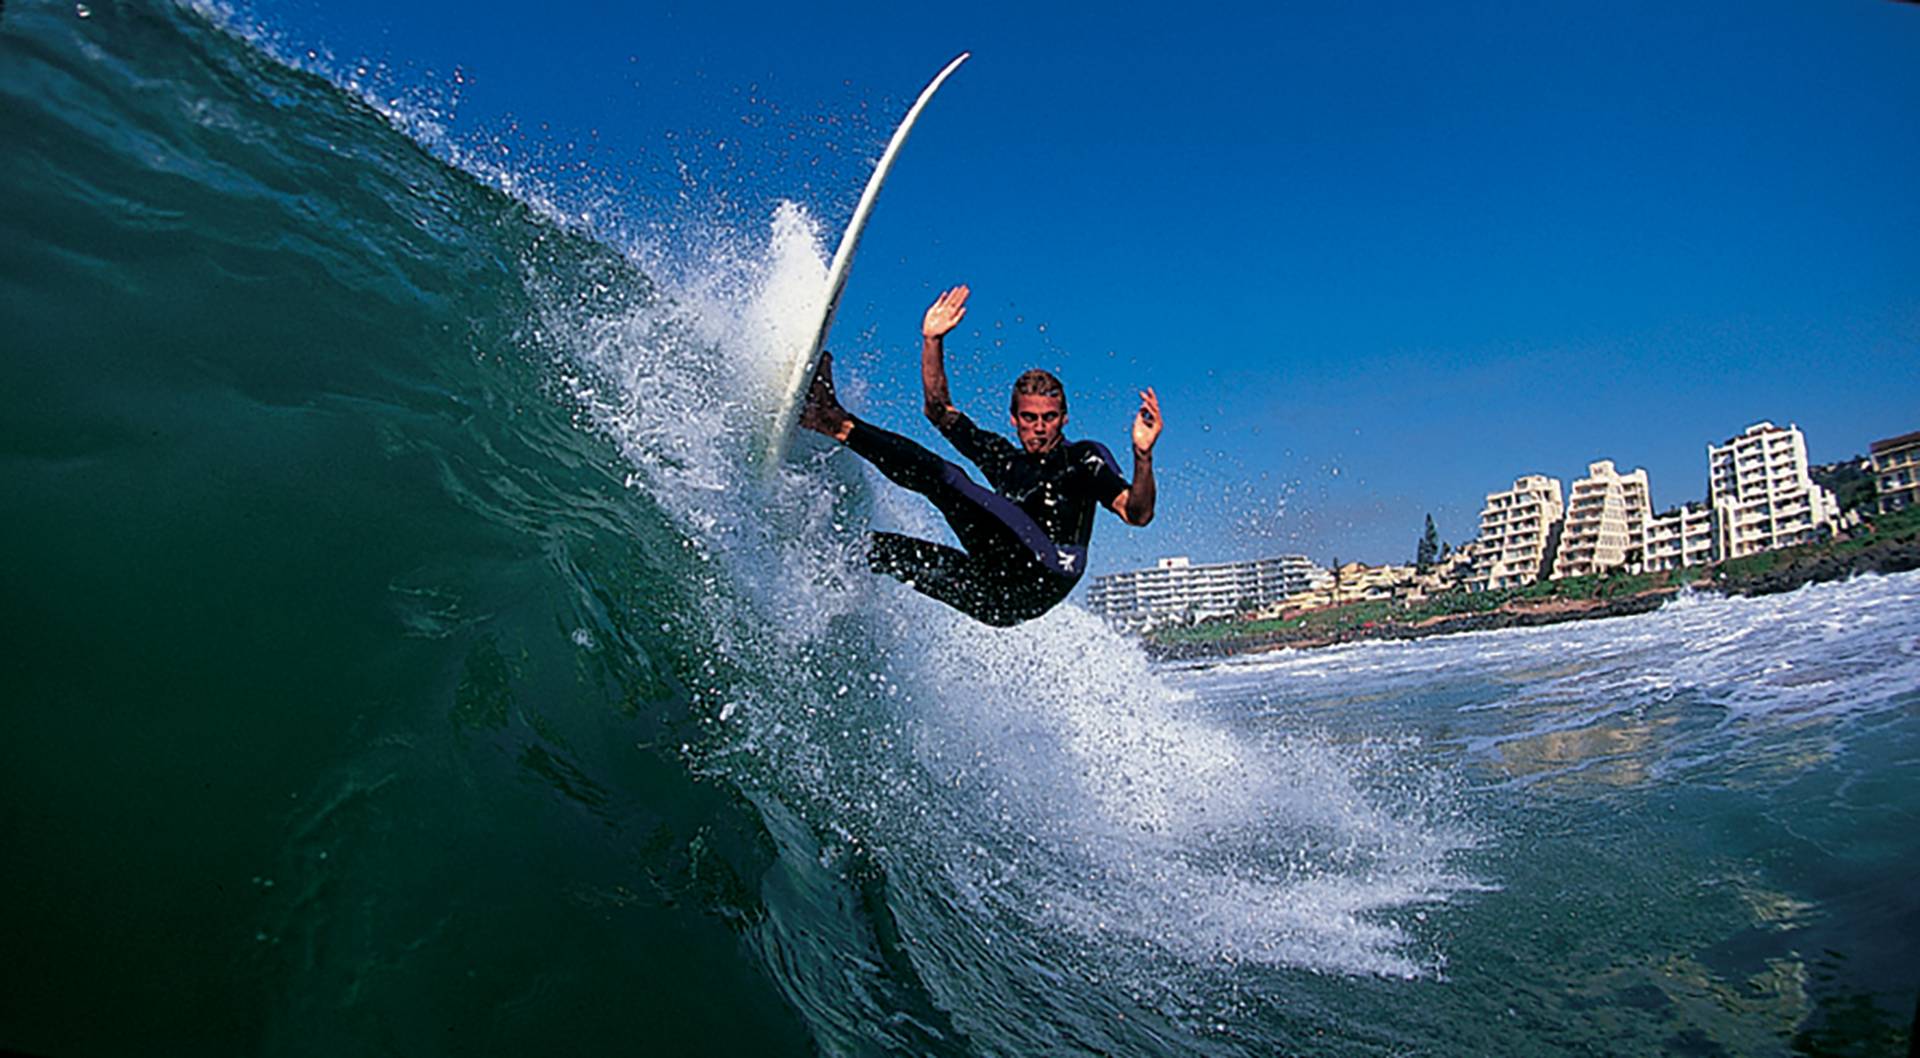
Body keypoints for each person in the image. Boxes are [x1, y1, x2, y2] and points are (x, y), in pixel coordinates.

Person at [799, 284, 1161, 626]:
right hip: (995, 600)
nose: (1039, 427)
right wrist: (932, 340)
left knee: (948, 479)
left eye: (1049, 418)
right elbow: (940, 412)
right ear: (1014, 419)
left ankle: (832, 421)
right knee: (877, 549)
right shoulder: (1003, 460)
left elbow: (1137, 513)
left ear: (1063, 419)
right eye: (1029, 418)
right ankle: (805, 570)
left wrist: (1142, 457)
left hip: (1045, 573)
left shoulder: (1084, 460)